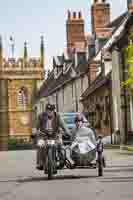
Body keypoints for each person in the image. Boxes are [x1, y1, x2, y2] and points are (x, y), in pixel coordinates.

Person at [32, 103, 71, 170]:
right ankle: (40, 163)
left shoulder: (57, 116)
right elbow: (36, 126)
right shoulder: (41, 116)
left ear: (54, 110)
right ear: (46, 110)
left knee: (60, 145)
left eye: (51, 110)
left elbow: (63, 125)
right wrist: (34, 133)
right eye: (48, 110)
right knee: (40, 145)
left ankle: (62, 161)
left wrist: (68, 133)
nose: (49, 112)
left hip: (55, 135)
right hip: (44, 136)